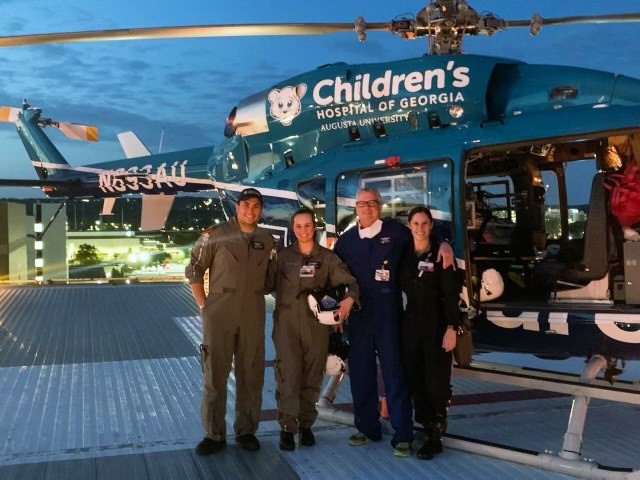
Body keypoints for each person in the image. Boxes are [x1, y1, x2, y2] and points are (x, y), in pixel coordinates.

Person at [333, 188, 453, 458]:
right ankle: (367, 427)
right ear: (356, 208)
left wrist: (444, 243)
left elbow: (424, 237)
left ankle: (402, 433)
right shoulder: (346, 241)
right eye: (362, 204)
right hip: (360, 316)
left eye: (373, 203)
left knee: (394, 374)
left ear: (380, 206)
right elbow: (333, 274)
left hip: (389, 315)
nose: (367, 208)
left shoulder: (396, 233)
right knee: (361, 374)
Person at [185, 187, 275, 456]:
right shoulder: (215, 235)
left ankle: (246, 430)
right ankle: (214, 434)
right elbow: (194, 269)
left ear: (260, 210)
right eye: (246, 205)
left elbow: (272, 279)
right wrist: (204, 306)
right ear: (237, 207)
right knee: (215, 375)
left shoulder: (267, 239)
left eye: (256, 206)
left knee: (251, 374)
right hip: (219, 314)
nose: (250, 210)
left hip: (253, 314)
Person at [266, 207, 359, 451]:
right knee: (288, 377)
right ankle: (287, 428)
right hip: (286, 326)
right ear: (293, 228)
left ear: (313, 227)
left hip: (316, 328)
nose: (303, 230)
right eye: (298, 226)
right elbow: (263, 283)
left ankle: (306, 426)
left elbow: (349, 282)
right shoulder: (282, 257)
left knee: (311, 377)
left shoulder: (327, 258)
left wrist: (349, 300)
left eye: (307, 225)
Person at [400, 206, 460, 460]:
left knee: (435, 379)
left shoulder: (441, 255)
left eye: (425, 223)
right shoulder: (403, 253)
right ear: (410, 226)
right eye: (416, 223)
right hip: (411, 323)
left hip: (436, 324)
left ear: (431, 226)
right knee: (414, 377)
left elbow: (451, 295)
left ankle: (436, 431)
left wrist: (451, 327)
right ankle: (424, 424)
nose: (420, 228)